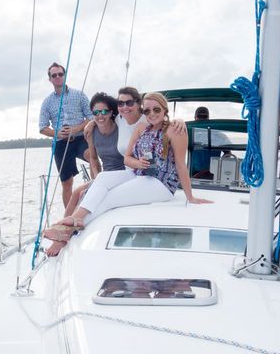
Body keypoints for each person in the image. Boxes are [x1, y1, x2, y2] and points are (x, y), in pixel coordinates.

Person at [44, 92, 212, 256]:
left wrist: (190, 197)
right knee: (101, 178)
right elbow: (127, 159)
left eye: (156, 110)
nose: (151, 114)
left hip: (161, 183)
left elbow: (181, 166)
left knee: (109, 197)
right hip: (139, 173)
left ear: (165, 110)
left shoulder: (175, 131)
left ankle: (66, 232)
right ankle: (76, 219)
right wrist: (138, 163)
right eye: (147, 111)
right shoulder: (141, 128)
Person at [39, 62, 94, 207]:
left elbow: (91, 117)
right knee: (66, 182)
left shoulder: (79, 95)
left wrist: (77, 128)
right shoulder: (47, 102)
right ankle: (68, 216)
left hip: (81, 137)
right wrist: (58, 133)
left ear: (65, 75)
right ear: (50, 79)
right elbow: (42, 127)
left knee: (92, 157)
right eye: (54, 75)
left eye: (60, 74)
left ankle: (98, 193)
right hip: (61, 143)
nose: (57, 77)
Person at [63, 92, 125, 216]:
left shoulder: (121, 127)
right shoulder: (91, 132)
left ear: (111, 112)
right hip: (104, 176)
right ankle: (63, 226)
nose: (100, 115)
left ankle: (74, 221)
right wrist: (96, 178)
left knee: (85, 195)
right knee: (76, 193)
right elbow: (93, 158)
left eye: (104, 111)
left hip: (123, 174)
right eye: (96, 113)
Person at [191, 106, 233, 179]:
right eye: (199, 116)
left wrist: (220, 166)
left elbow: (228, 153)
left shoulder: (220, 136)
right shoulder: (189, 134)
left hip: (215, 175)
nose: (202, 119)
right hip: (192, 174)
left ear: (208, 118)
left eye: (204, 117)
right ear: (195, 118)